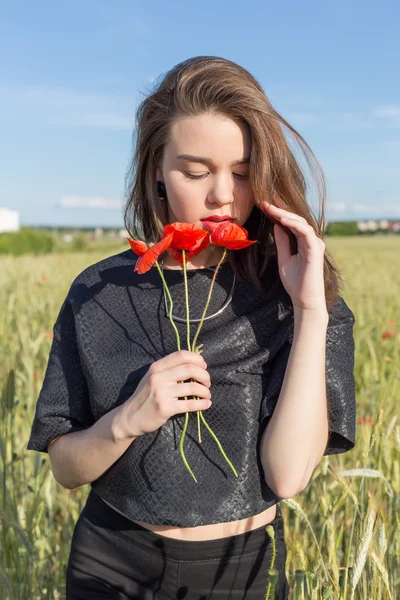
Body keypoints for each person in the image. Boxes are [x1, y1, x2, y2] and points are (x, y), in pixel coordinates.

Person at [27, 56, 357, 599]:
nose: (223, 194)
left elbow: (288, 477)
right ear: (156, 167)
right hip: (111, 562)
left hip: (242, 570)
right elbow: (66, 466)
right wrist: (127, 420)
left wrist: (309, 311)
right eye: (196, 172)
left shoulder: (300, 300)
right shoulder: (99, 291)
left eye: (244, 172)